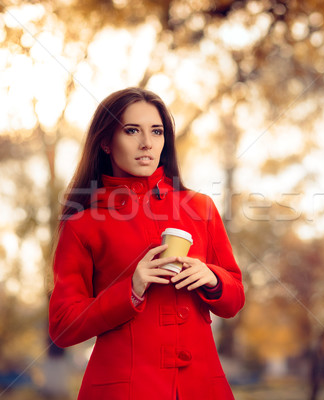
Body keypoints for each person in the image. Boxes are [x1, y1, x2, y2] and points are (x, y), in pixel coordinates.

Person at [48, 87, 245, 400]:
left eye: (157, 131)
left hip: (203, 388)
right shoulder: (82, 223)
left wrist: (213, 278)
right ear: (105, 143)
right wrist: (131, 289)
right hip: (125, 389)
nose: (147, 143)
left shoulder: (201, 208)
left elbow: (234, 299)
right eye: (131, 131)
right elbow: (62, 326)